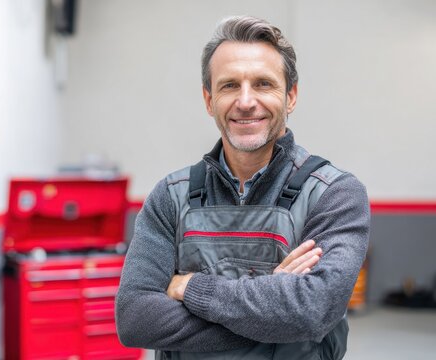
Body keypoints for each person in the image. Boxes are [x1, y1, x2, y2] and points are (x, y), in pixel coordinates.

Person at [115, 15, 370, 360]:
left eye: (263, 84)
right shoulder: (170, 198)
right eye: (229, 85)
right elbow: (135, 319)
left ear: (291, 96)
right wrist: (274, 311)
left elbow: (312, 311)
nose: (246, 101)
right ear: (209, 100)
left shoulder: (334, 195)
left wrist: (189, 287)